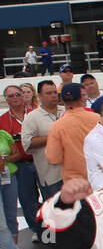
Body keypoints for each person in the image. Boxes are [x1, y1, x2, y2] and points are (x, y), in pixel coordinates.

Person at [0, 84, 40, 239]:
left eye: (18, 94)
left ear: (23, 96)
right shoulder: (2, 121)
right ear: (6, 100)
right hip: (21, 165)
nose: (15, 98)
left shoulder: (36, 115)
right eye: (10, 96)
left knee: (49, 197)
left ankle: (52, 232)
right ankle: (37, 229)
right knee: (27, 199)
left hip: (41, 161)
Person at [20, 80, 62, 218]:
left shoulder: (66, 111)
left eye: (55, 92)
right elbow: (27, 144)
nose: (53, 96)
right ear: (39, 96)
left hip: (73, 171)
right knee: (54, 214)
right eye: (48, 93)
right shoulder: (32, 117)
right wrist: (52, 136)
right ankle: (52, 239)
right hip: (50, 175)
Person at [43, 83, 100, 181]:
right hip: (100, 177)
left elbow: (54, 158)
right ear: (81, 98)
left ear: (61, 100)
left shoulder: (57, 126)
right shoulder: (98, 118)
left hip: (75, 182)